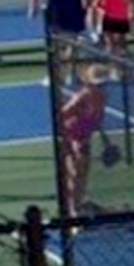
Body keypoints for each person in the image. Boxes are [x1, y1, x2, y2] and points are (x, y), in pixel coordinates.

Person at [57, 64, 111, 214]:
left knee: (83, 172)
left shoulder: (102, 97)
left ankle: (79, 201)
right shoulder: (82, 96)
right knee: (75, 173)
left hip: (84, 138)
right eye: (99, 83)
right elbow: (62, 115)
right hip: (73, 138)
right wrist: (69, 141)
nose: (102, 86)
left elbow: (97, 120)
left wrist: (105, 140)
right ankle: (74, 209)